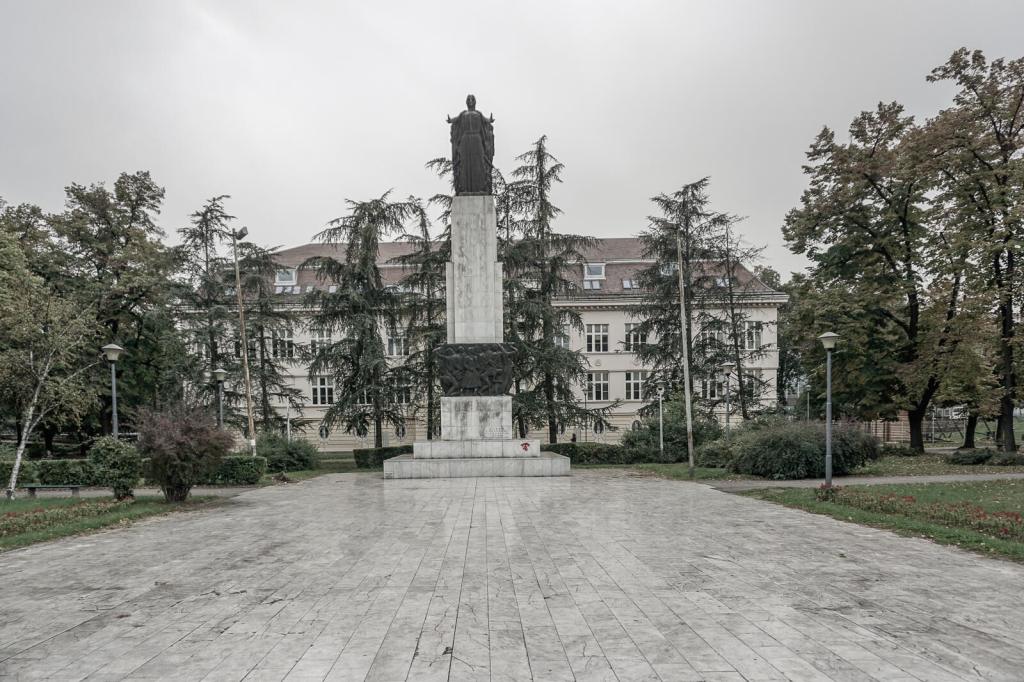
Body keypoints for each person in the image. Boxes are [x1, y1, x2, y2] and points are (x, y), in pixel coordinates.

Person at [447, 94, 494, 194]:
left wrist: (490, 120)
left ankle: (480, 188)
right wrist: (450, 120)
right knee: (464, 163)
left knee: (479, 163)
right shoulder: (463, 114)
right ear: (466, 101)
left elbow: (486, 120)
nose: (470, 101)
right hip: (465, 140)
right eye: (468, 99)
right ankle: (465, 188)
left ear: (475, 101)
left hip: (477, 139)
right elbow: (455, 120)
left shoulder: (478, 114)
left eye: (472, 99)